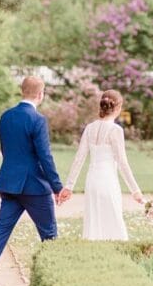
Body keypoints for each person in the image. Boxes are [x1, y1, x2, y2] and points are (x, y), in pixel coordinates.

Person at [0, 76, 63, 286]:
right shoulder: (38, 120)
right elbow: (45, 157)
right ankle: (57, 281)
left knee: (1, 228)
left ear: (22, 91)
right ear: (41, 94)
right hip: (34, 187)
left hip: (9, 184)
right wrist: (57, 186)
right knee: (49, 232)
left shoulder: (6, 117)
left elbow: (7, 151)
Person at [58, 89, 143, 240]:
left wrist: (69, 186)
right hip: (108, 181)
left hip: (92, 182)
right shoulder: (115, 130)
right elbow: (122, 162)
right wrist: (135, 190)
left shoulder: (90, 128)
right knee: (114, 221)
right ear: (118, 108)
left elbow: (79, 159)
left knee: (94, 222)